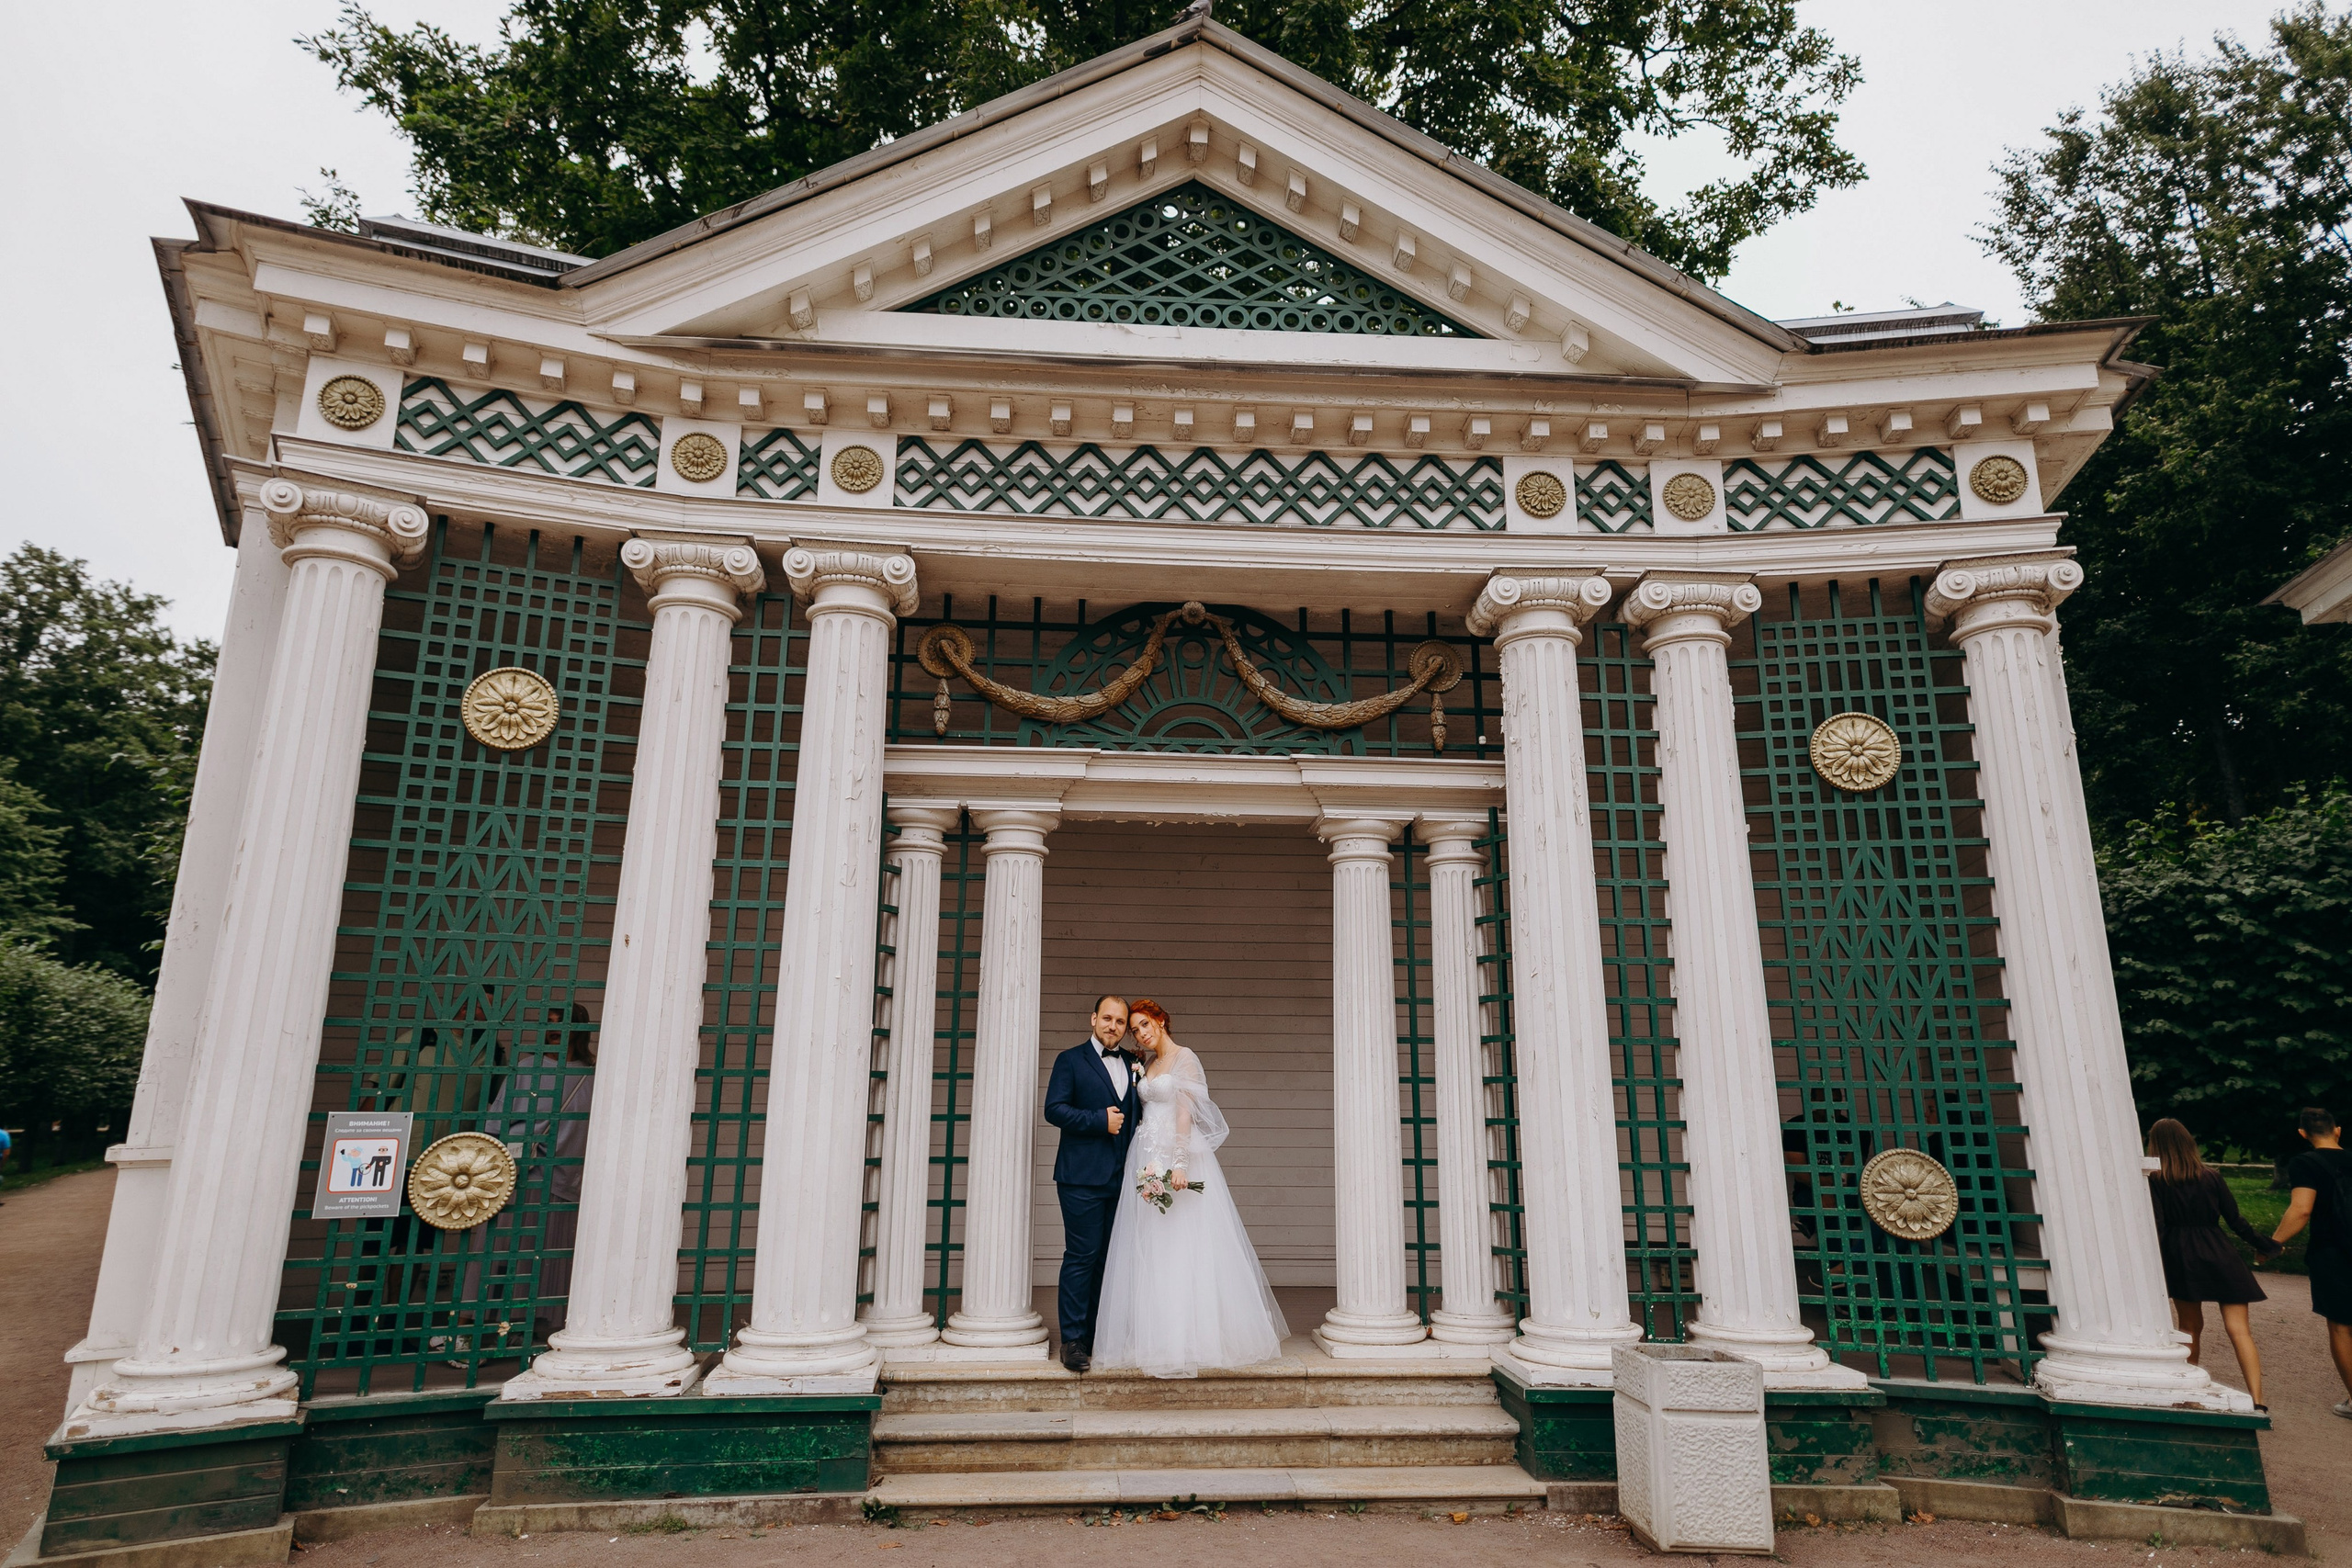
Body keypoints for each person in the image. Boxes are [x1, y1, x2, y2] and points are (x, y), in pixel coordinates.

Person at [1091, 999, 1288, 1378]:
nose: (1142, 1034)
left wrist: (1180, 1162)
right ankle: (1155, 1334)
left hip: (1174, 1154)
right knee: (1150, 1243)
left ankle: (1191, 1337)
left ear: (1162, 1021)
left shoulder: (1185, 1058)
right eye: (1136, 1030)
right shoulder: (1146, 1064)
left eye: (1146, 1025)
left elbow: (1185, 1111)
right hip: (1145, 1155)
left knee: (1184, 1243)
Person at [2146, 1118, 2278, 1409]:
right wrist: (2266, 1245)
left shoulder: (2155, 1180)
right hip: (2220, 1253)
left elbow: (2157, 1225)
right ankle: (2258, 1401)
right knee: (2240, 1330)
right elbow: (2236, 1221)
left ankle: (2188, 1395)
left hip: (2181, 1256)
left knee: (2190, 1327)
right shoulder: (2212, 1177)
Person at [1043, 995, 1140, 1373]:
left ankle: (1103, 1333)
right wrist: (1099, 1120)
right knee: (1081, 1257)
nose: (1113, 1026)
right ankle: (1073, 1340)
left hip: (1124, 1179)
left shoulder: (1135, 1063)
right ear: (1093, 1019)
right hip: (1081, 1178)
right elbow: (1055, 1109)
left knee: (1110, 1259)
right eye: (1108, 1018)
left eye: (1120, 1021)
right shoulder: (1070, 1060)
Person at [2272, 1106, 2352, 1417]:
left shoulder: (2305, 1163)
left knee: (2342, 1326)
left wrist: (2274, 1243)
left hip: (2332, 1252)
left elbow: (2301, 1210)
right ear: (2338, 1131)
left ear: (2303, 1134)